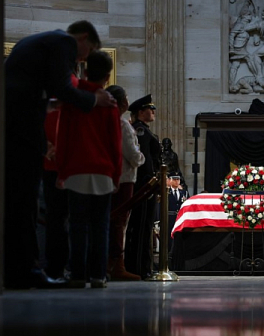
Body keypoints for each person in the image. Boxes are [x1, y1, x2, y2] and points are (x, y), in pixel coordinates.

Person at [4, 20, 116, 289]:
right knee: (26, 201)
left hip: (15, 120)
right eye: (85, 52)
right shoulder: (64, 42)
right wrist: (94, 100)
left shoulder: (46, 43)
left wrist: (53, 104)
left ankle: (21, 269)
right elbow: (63, 87)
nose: (81, 60)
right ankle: (27, 270)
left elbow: (49, 92)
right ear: (84, 38)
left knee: (24, 202)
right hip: (22, 126)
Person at [55, 50, 122, 288]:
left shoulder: (74, 99)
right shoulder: (110, 104)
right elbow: (115, 143)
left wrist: (61, 170)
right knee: (100, 226)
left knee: (77, 225)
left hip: (76, 169)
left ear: (84, 70)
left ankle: (76, 274)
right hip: (103, 170)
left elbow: (63, 137)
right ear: (107, 76)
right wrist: (116, 174)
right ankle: (97, 275)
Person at [105, 85, 145, 281]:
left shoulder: (104, 121)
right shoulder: (122, 125)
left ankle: (108, 264)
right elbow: (133, 155)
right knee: (119, 222)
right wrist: (142, 158)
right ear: (122, 102)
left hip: (109, 177)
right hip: (124, 178)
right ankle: (116, 266)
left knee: (110, 221)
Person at [125, 94, 162, 279]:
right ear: (141, 112)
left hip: (148, 185)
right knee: (141, 227)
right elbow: (145, 160)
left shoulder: (145, 130)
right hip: (144, 185)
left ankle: (143, 266)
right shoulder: (140, 130)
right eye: (150, 109)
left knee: (145, 226)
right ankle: (139, 268)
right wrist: (150, 183)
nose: (153, 111)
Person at [167, 172, 188, 253]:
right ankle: (169, 254)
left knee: (179, 235)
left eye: (178, 179)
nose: (176, 181)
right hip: (170, 217)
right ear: (170, 180)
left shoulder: (183, 192)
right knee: (169, 237)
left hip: (179, 217)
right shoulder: (167, 192)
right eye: (174, 179)